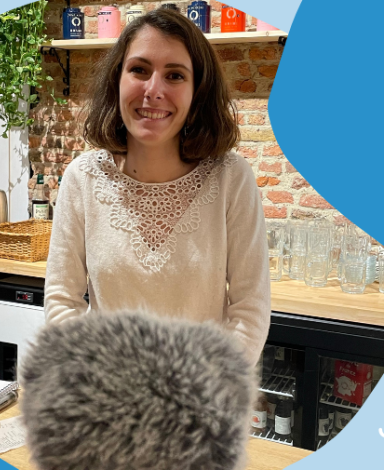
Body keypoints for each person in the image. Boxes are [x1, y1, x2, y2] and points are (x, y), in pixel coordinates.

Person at [44, 9, 270, 364]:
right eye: (139, 70)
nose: (153, 90)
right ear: (117, 80)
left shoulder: (231, 178)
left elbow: (249, 311)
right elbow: (61, 303)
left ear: (197, 93)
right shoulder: (82, 178)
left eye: (175, 75)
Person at [20, 313, 254, 470]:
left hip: (202, 387)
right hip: (94, 378)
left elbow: (250, 311)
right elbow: (62, 295)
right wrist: (79, 362)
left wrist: (216, 377)